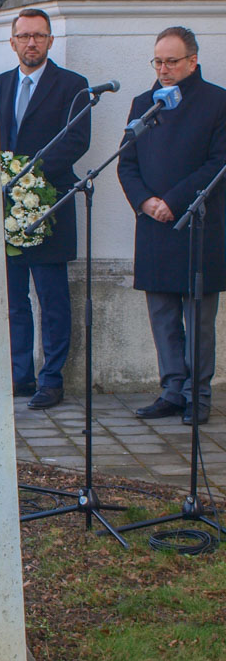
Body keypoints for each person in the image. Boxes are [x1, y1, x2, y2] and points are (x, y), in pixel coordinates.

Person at [118, 26, 226, 425]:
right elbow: (127, 163)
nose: (163, 69)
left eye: (171, 62)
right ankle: (171, 390)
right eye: (158, 62)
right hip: (154, 225)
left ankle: (198, 395)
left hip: (198, 224)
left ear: (193, 61)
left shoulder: (217, 102)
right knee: (162, 315)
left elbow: (218, 163)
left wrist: (173, 201)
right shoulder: (144, 104)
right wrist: (146, 202)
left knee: (198, 320)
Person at [0, 9, 91, 410]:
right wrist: (5, 179)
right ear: (12, 42)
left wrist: (28, 175)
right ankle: (21, 375)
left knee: (52, 299)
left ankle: (52, 379)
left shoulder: (73, 86)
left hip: (50, 205)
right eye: (24, 36)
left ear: (50, 41)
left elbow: (76, 140)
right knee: (14, 299)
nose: (31, 43)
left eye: (39, 36)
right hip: (4, 208)